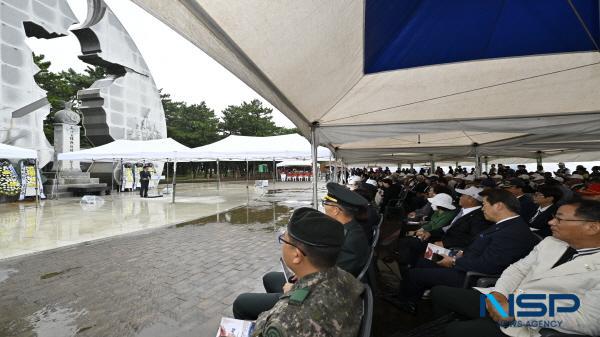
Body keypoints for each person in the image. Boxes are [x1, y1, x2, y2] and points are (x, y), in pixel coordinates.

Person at [432, 199, 600, 337]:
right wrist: (499, 295)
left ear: (593, 227)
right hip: (503, 298)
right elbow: (518, 269)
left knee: (455, 331)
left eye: (560, 219)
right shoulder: (551, 242)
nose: (551, 222)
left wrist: (518, 312)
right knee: (439, 292)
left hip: (532, 322)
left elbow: (589, 322)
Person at [233, 184, 370, 320]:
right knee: (270, 277)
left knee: (241, 303)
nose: (323, 207)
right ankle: (276, 308)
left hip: (318, 295)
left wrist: (294, 290)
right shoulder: (347, 230)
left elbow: (331, 281)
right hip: (321, 286)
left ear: (336, 210)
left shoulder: (351, 240)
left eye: (325, 203)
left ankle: (277, 311)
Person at [395, 189, 537, 314]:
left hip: (471, 275)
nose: (482, 208)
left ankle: (406, 303)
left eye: (485, 204)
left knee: (415, 274)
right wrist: (461, 254)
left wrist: (455, 261)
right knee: (422, 261)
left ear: (499, 206)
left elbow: (489, 265)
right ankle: (413, 296)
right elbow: (484, 249)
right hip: (467, 261)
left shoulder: (512, 232)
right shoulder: (505, 225)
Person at [251, 208, 364, 337]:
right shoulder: (345, 277)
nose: (282, 243)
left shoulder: (287, 320)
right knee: (270, 278)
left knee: (241, 303)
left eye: (284, 240)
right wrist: (296, 291)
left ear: (297, 255)